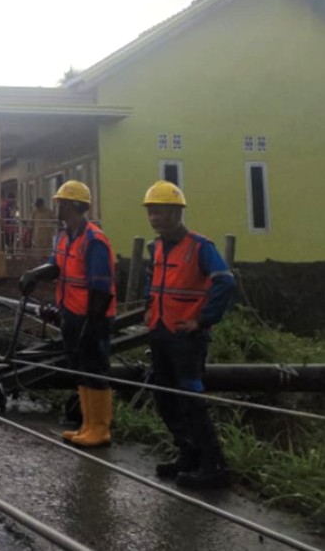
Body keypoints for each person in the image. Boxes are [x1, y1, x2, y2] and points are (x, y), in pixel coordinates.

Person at [142, 180, 236, 489]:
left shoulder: (200, 246)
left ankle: (213, 464)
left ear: (176, 213)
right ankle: (188, 453)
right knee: (164, 396)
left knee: (190, 398)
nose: (154, 218)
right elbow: (156, 284)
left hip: (185, 336)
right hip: (160, 330)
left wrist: (202, 319)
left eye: (160, 212)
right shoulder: (157, 247)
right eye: (151, 212)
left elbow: (225, 282)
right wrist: (149, 308)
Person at [19, 180, 116, 447]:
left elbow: (100, 287)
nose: (56, 206)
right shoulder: (63, 237)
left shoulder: (94, 240)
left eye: (61, 202)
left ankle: (100, 428)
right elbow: (55, 266)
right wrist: (35, 274)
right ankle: (87, 424)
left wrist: (91, 324)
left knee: (95, 369)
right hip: (71, 312)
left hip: (92, 316)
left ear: (74, 205)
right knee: (80, 369)